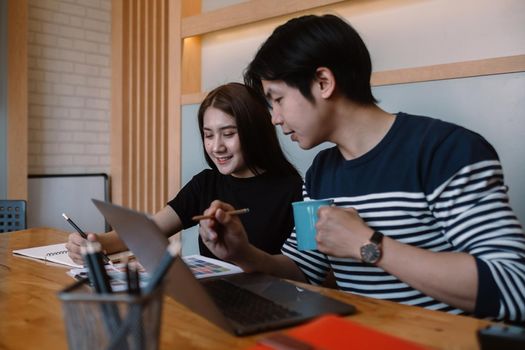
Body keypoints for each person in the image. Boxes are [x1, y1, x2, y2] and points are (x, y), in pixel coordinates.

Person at [197, 15, 525, 322]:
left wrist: (368, 245)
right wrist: (244, 253)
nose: (274, 118)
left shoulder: (445, 150)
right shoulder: (320, 173)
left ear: (323, 82)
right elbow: (303, 269)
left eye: (278, 99)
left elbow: (513, 285)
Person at [66, 82, 303, 264]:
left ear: (254, 132)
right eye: (208, 135)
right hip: (216, 299)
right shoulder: (206, 184)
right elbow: (151, 229)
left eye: (228, 134)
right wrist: (98, 243)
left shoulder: (293, 189)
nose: (216, 146)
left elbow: (309, 271)